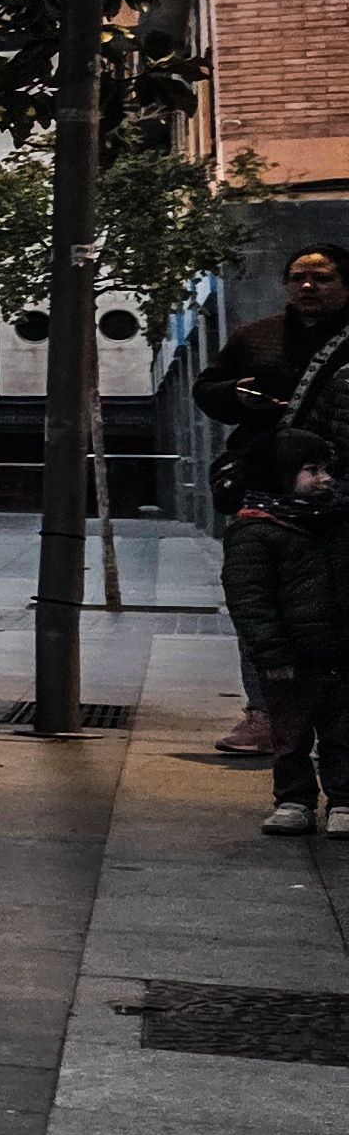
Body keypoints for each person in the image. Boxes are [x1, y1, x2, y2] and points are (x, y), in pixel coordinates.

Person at [194, 245, 349, 759]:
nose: (307, 287)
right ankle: (263, 712)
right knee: (259, 599)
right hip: (269, 492)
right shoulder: (256, 335)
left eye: (321, 278)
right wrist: (236, 395)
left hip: (338, 489)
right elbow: (207, 388)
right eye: (298, 278)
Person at [223, 430, 349, 835]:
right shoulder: (255, 532)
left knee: (342, 732)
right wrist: (272, 655)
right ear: (279, 477)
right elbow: (250, 602)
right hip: (290, 659)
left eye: (326, 469)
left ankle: (344, 801)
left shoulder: (335, 523)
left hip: (340, 652)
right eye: (312, 470)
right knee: (290, 735)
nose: (325, 478)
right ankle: (294, 799)